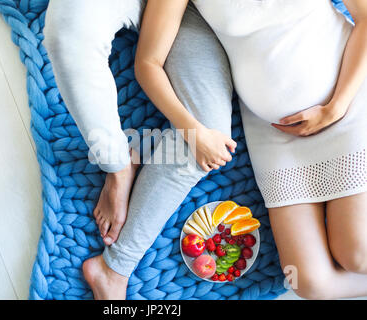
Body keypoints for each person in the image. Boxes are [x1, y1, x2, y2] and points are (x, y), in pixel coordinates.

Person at [134, 0, 367, 300]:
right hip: (275, 137)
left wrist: (334, 108)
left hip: (347, 103)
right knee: (310, 283)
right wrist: (193, 131)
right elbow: (147, 62)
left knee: (357, 254)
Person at [44, 1, 236, 299]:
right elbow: (146, 63)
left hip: (199, 12)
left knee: (209, 138)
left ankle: (114, 269)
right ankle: (118, 165)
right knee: (68, 34)